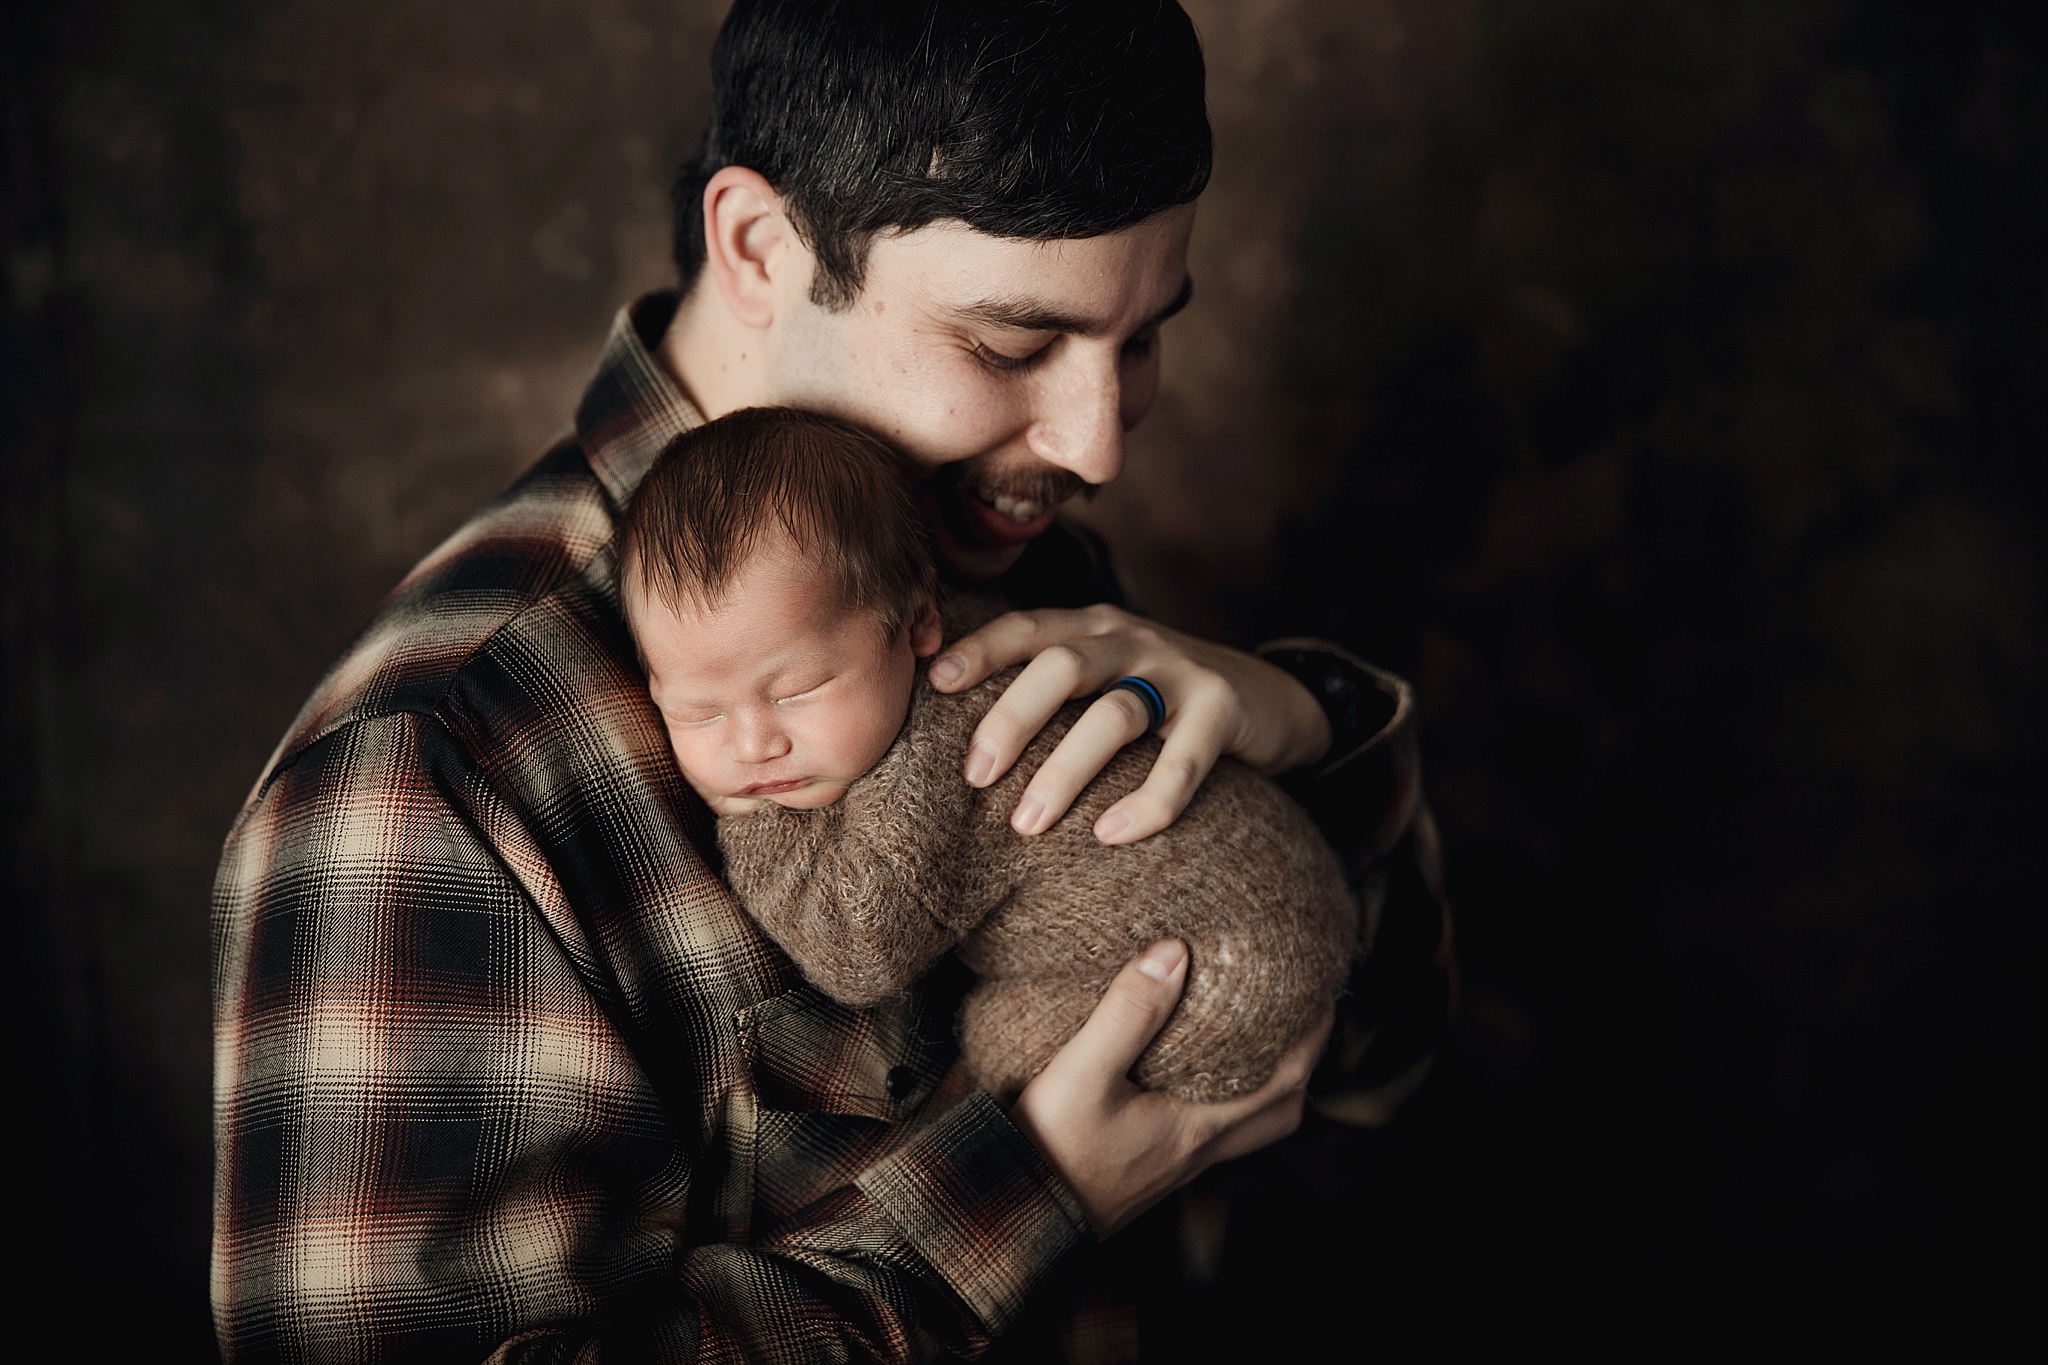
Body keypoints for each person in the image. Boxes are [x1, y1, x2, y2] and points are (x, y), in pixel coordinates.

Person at [211, 2, 1452, 1360]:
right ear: (759, 245)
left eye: (1141, 339)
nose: (1097, 443)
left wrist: (1307, 729)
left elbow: (1371, 1070)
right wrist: (1032, 1196)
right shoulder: (442, 760)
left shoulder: (1027, 575)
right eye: (1012, 345)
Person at [616, 405, 1357, 1107]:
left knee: (1000, 1053)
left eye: (800, 688)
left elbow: (853, 949)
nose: (753, 743)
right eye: (696, 711)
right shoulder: (902, 634)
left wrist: (754, 819)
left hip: (1236, 966)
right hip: (1284, 882)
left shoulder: (946, 754)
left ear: (918, 622)